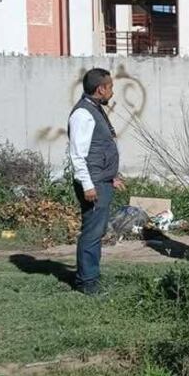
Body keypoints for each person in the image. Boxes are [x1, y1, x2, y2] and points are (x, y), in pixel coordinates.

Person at [68, 68, 122, 295]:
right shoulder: (83, 114)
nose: (112, 91)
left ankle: (91, 276)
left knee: (97, 231)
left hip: (102, 180)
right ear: (101, 89)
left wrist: (111, 177)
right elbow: (78, 154)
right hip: (94, 185)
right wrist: (88, 185)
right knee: (92, 232)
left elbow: (98, 149)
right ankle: (87, 282)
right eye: (110, 87)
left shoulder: (94, 109)